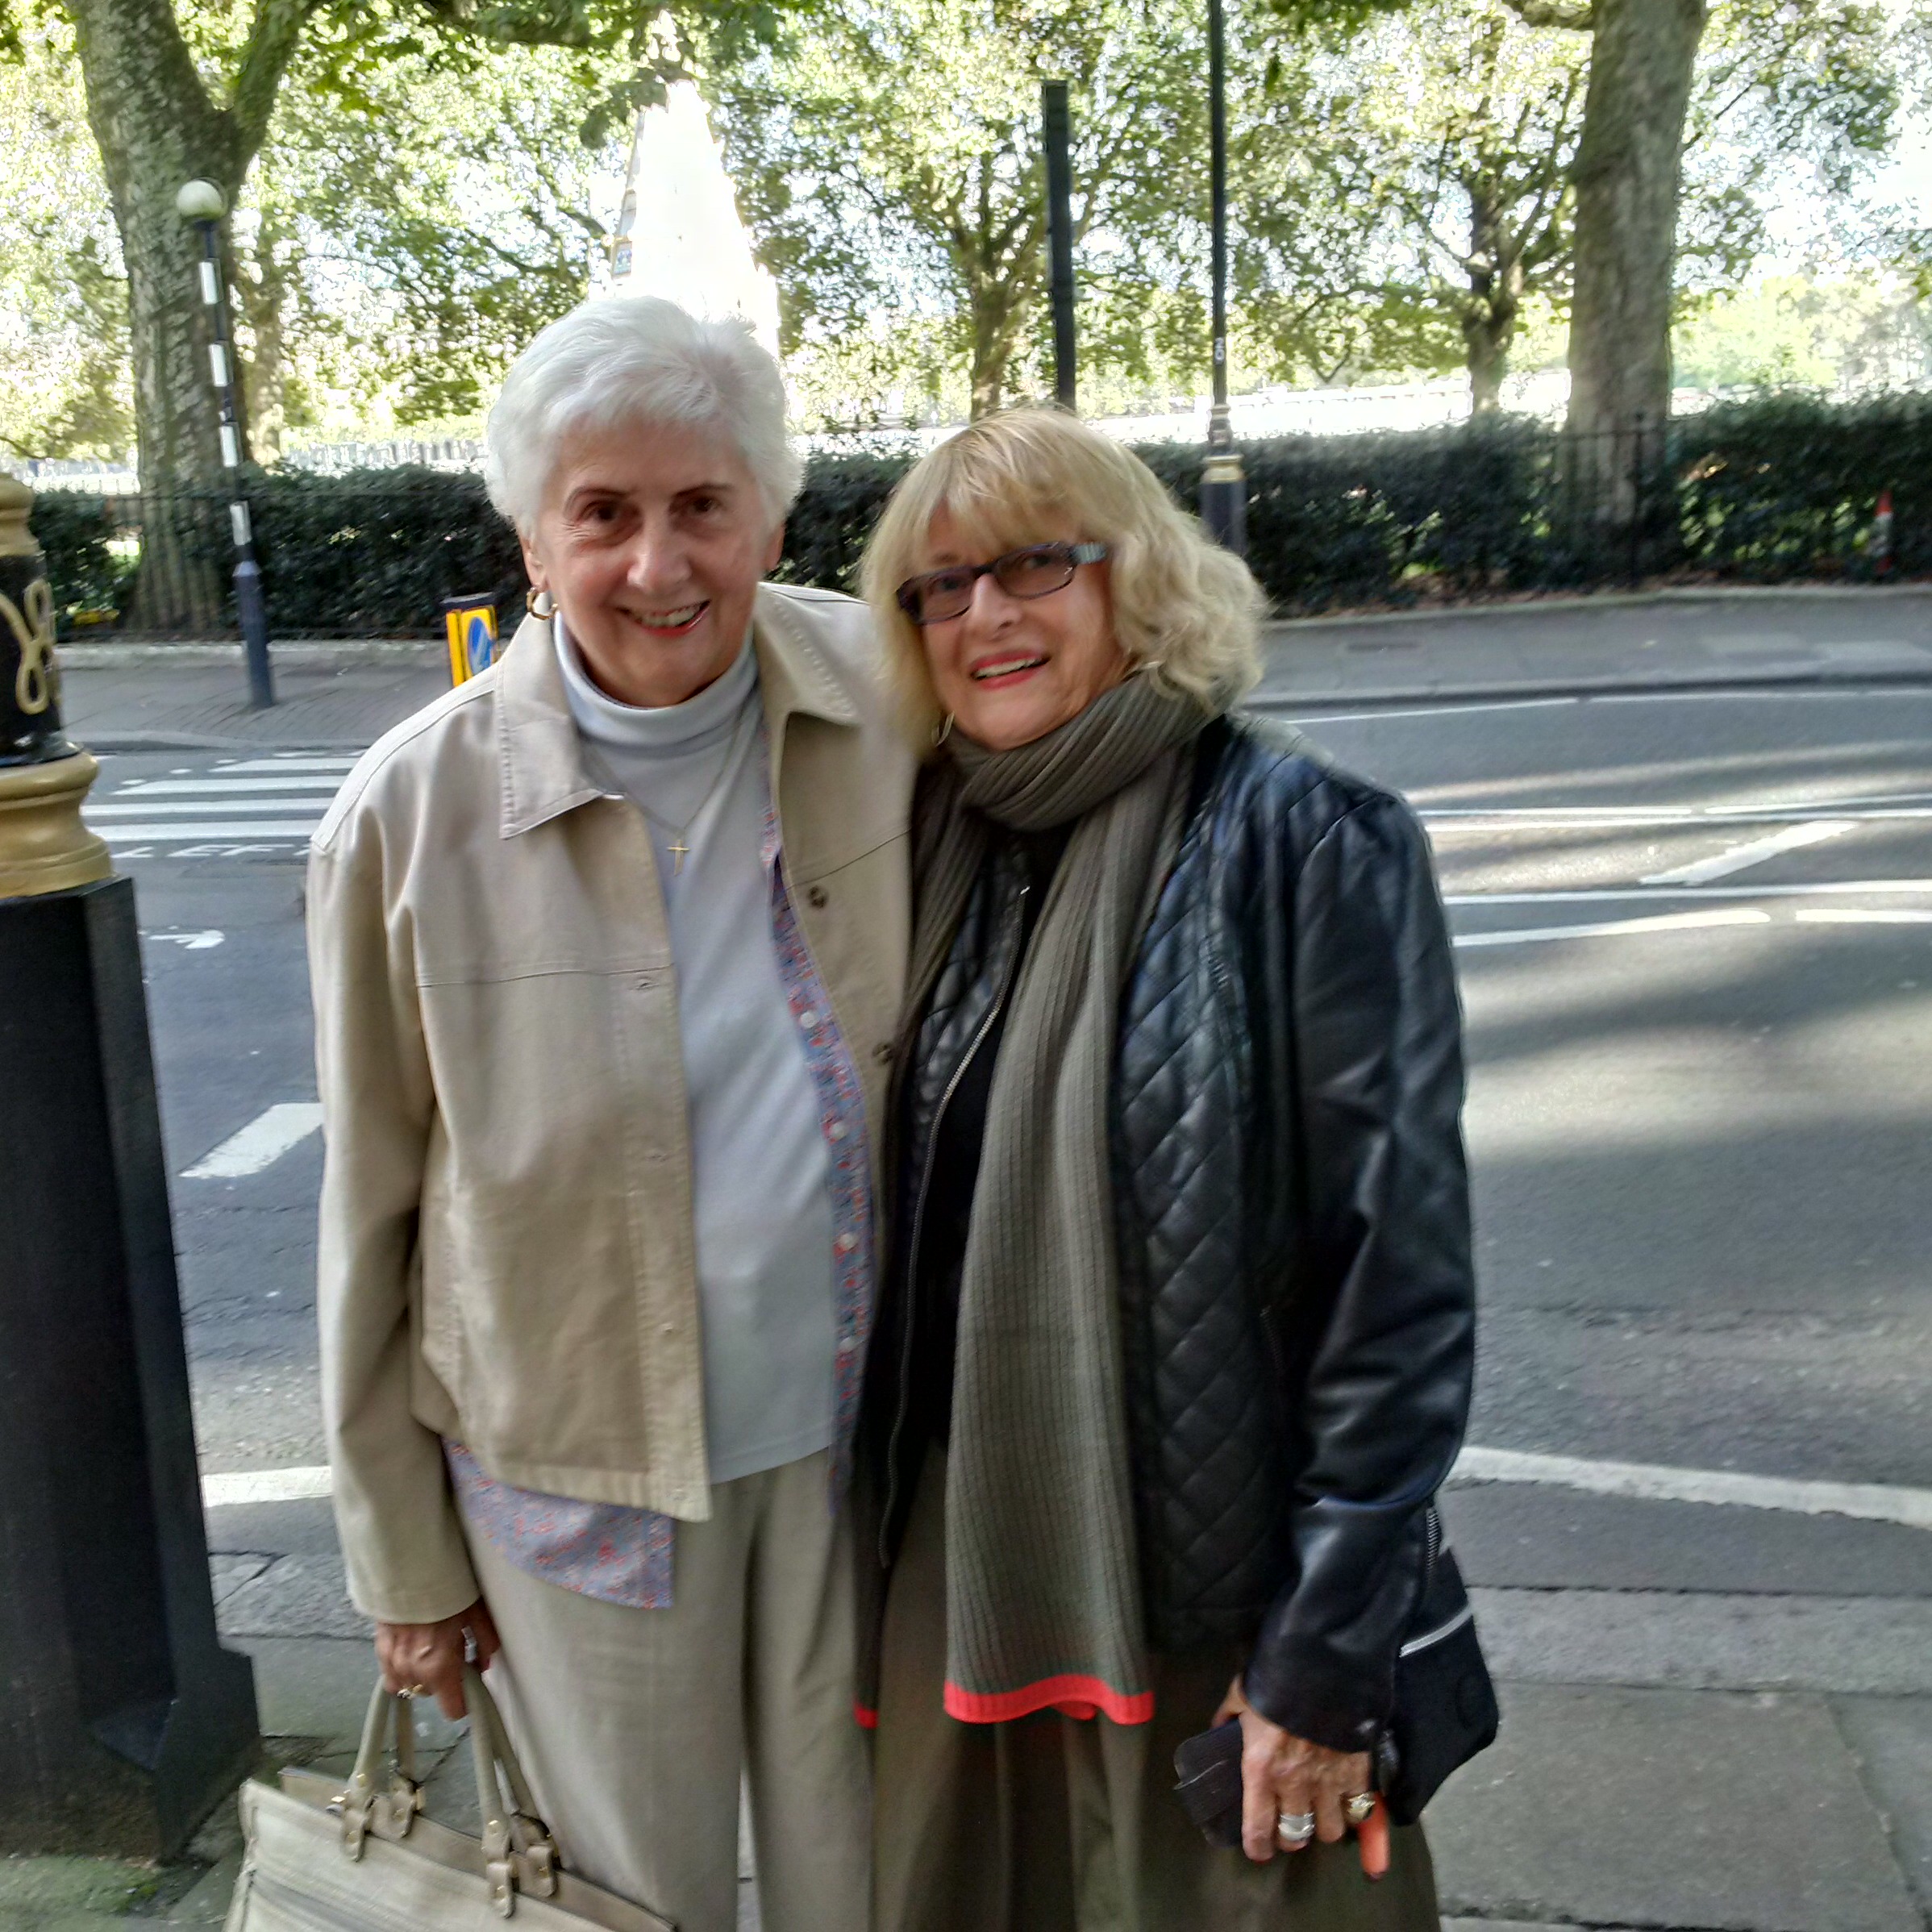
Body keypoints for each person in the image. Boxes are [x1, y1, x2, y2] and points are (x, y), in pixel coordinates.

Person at [308, 296, 912, 1932]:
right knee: (626, 1904)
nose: (659, 563)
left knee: (869, 1883)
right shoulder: (412, 811)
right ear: (533, 540)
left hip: (861, 1450)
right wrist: (404, 1565)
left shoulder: (889, 697)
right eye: (603, 514)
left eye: (703, 504)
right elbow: (370, 1211)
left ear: (771, 517)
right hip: (578, 1484)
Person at [856, 406, 1477, 1930]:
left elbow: (1394, 1288)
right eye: (943, 586)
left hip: (1211, 1588)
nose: (986, 616)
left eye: (1035, 567)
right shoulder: (922, 844)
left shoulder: (1308, 840)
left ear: (1134, 579)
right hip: (961, 1570)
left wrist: (1324, 1657)